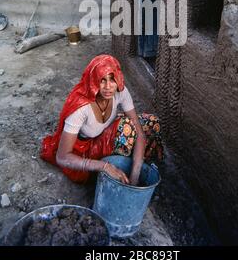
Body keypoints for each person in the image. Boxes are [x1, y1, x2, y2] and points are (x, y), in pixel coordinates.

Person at [40, 54, 163, 185]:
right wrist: (105, 166)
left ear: (118, 79)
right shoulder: (81, 107)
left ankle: (128, 171)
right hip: (84, 151)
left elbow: (140, 133)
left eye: (112, 79)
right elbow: (62, 157)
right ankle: (113, 175)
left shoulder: (120, 92)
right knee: (127, 127)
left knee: (151, 122)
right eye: (102, 80)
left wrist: (135, 175)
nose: (108, 86)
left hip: (103, 135)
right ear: (93, 80)